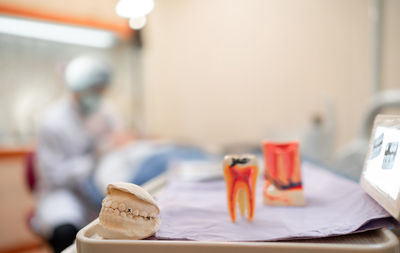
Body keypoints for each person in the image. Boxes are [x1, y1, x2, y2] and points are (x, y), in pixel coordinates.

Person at [31, 56, 123, 253]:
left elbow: (116, 139)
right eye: (94, 90)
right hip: (63, 195)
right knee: (66, 233)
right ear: (76, 88)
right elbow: (55, 177)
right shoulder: (52, 121)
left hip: (97, 188)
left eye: (102, 90)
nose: (99, 95)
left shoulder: (105, 111)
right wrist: (92, 161)